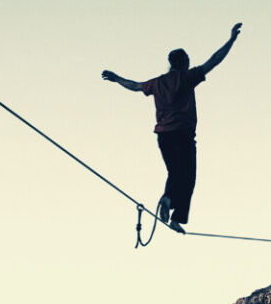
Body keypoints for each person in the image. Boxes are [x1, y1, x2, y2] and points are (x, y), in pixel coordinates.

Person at [102, 23, 241, 232]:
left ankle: (168, 199)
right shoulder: (187, 77)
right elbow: (214, 61)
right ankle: (177, 215)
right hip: (183, 133)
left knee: (175, 173)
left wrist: (116, 78)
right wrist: (231, 40)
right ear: (184, 63)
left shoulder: (157, 83)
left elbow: (135, 85)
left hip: (163, 135)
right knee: (188, 175)